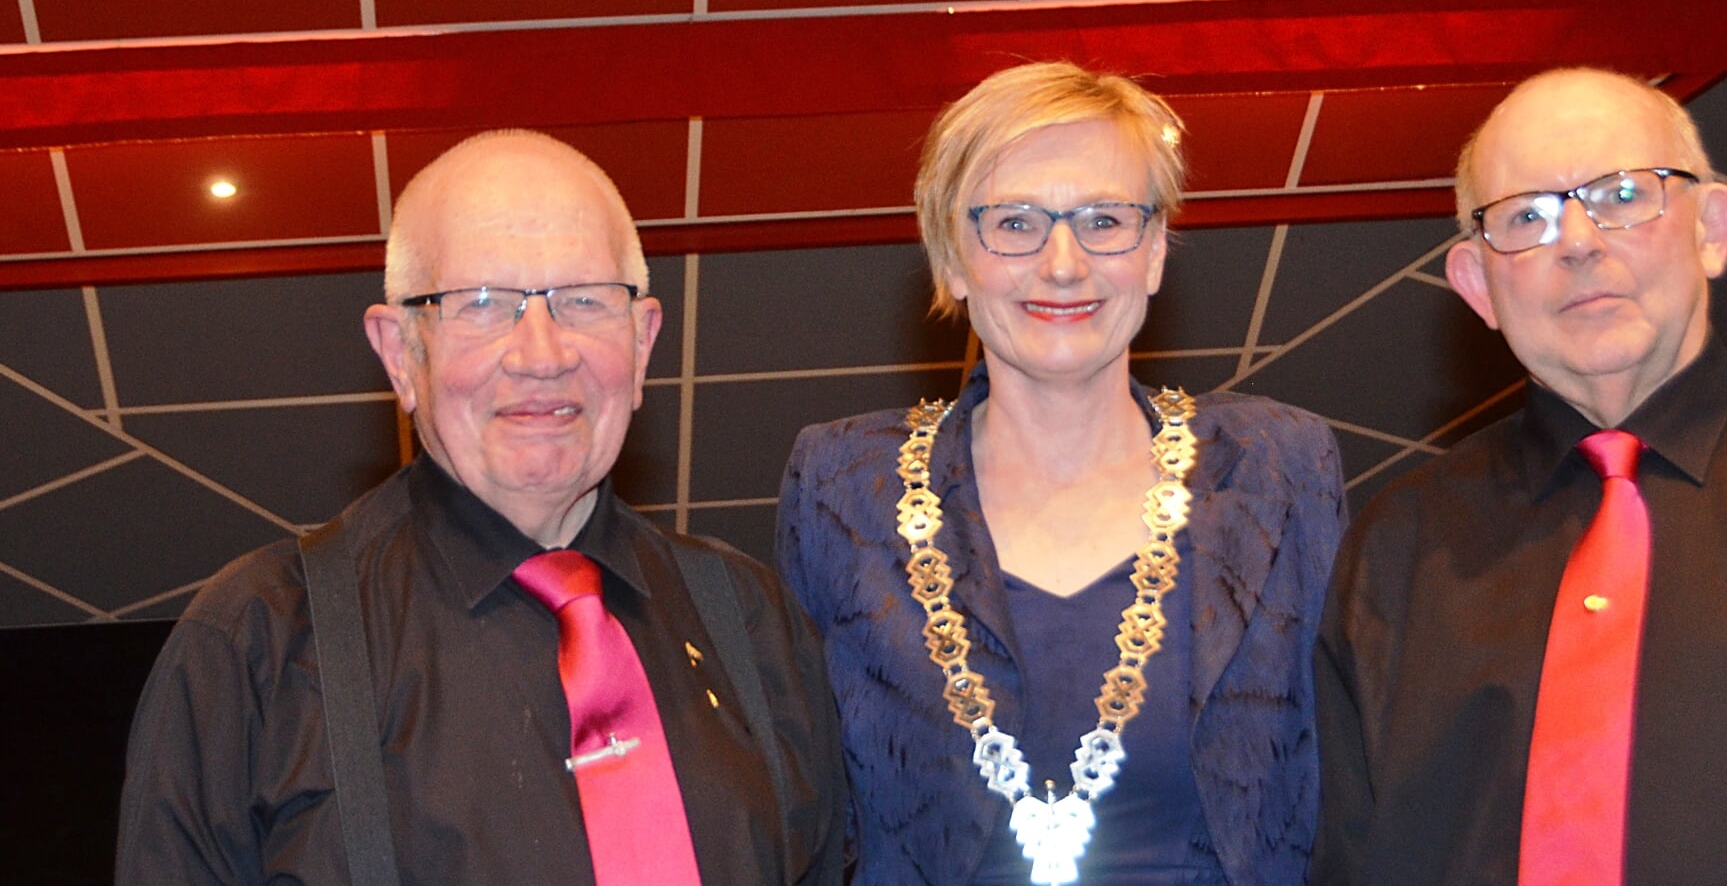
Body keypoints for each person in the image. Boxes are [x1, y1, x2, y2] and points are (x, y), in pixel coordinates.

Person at [116, 131, 847, 884]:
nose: (541, 353)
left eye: (584, 300)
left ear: (642, 343)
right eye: (484, 304)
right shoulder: (255, 643)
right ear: (402, 354)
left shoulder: (755, 622)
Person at [1311, 67, 1727, 884]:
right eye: (1526, 216)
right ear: (1476, 285)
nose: (1578, 242)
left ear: (1712, 228)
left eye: (1624, 195)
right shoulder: (1393, 549)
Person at [776, 61, 1347, 885]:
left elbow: (1350, 794)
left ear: (1153, 251)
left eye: (1105, 219)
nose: (1064, 262)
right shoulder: (840, 487)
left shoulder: (1279, 469)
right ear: (951, 261)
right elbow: (815, 821)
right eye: (1014, 223)